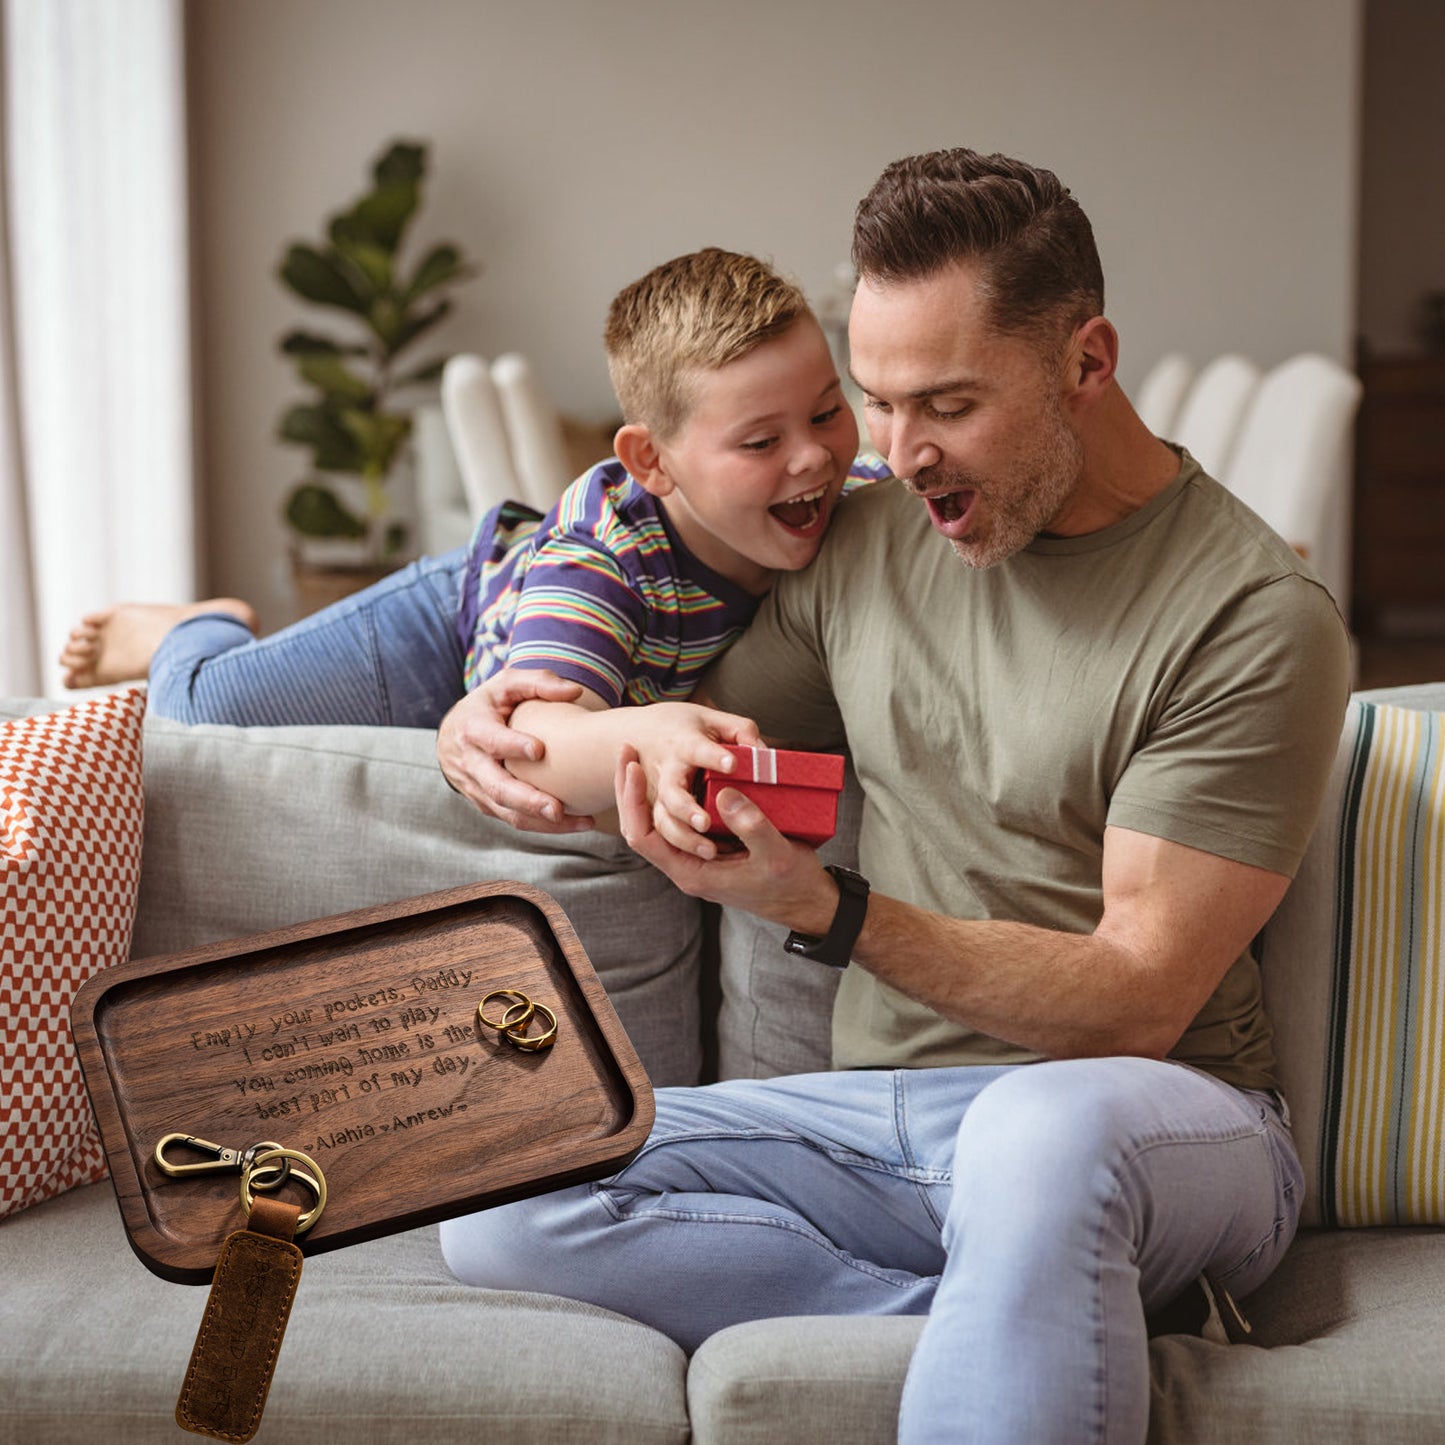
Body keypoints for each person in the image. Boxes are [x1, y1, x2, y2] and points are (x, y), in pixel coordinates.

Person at [435, 147, 1352, 1443]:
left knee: (1037, 1140)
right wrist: (497, 713)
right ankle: (1017, 1308)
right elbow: (668, 736)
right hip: (888, 1122)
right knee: (508, 1173)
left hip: (1157, 1117)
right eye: (876, 401)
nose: (892, 455)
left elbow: (1141, 997)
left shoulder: (1249, 617)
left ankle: (1041, 1283)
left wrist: (831, 910)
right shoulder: (870, 547)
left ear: (1086, 363)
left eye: (948, 405)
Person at [59, 249, 888, 823]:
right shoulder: (601, 563)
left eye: (826, 411)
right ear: (652, 463)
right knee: (198, 712)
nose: (814, 455)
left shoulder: (856, 500)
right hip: (453, 625)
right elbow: (530, 744)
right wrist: (653, 731)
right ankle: (183, 626)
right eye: (759, 442)